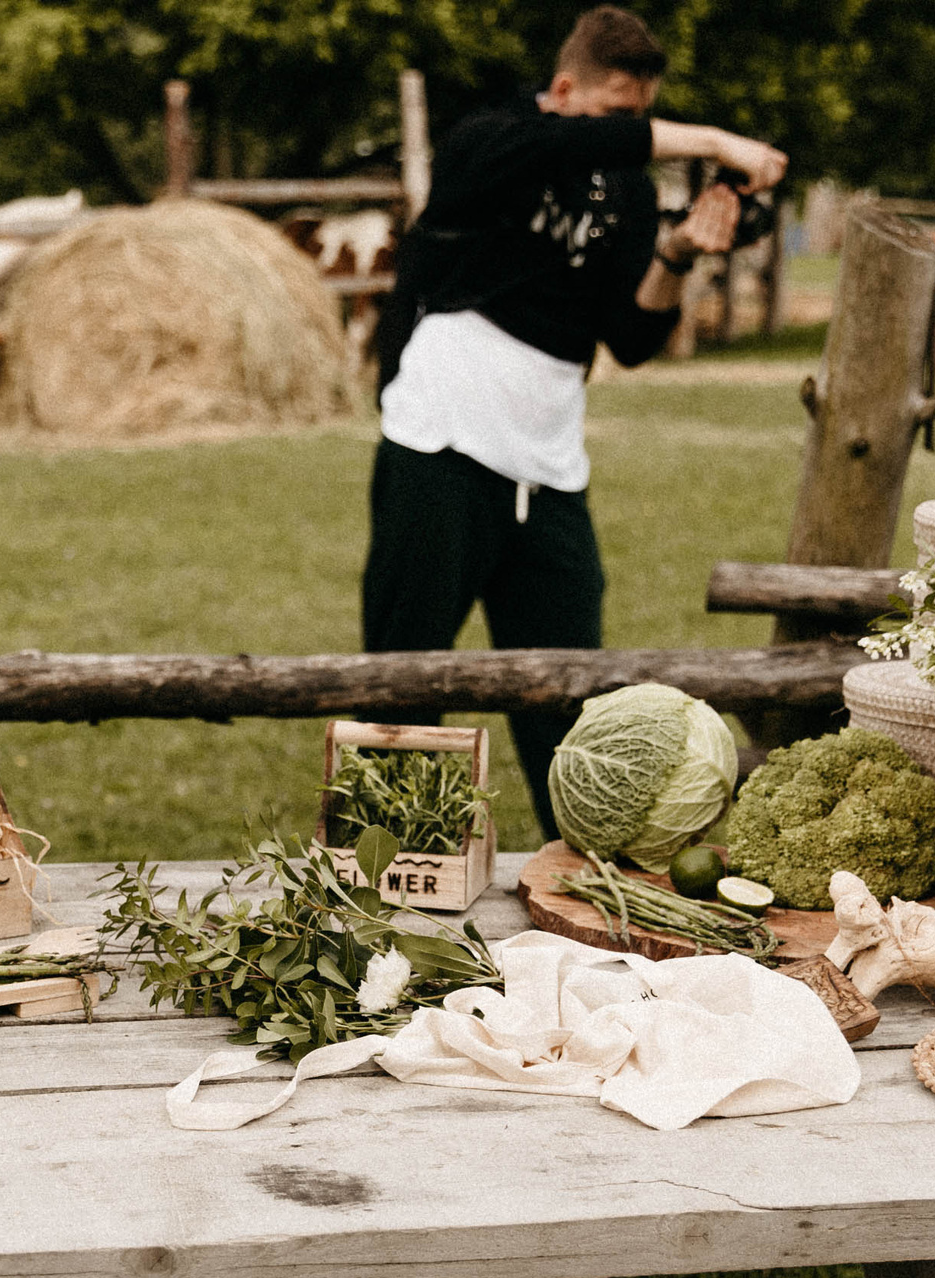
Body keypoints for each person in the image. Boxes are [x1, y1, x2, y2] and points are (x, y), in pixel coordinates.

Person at [363, 5, 787, 837]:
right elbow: (581, 145)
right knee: (405, 680)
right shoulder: (492, 141)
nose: (629, 137)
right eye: (617, 115)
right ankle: (379, 870)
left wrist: (678, 253)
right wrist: (712, 140)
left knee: (570, 692)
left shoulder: (627, 191)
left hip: (551, 465)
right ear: (562, 91)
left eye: (641, 119)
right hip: (440, 442)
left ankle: (572, 870)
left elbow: (630, 335)